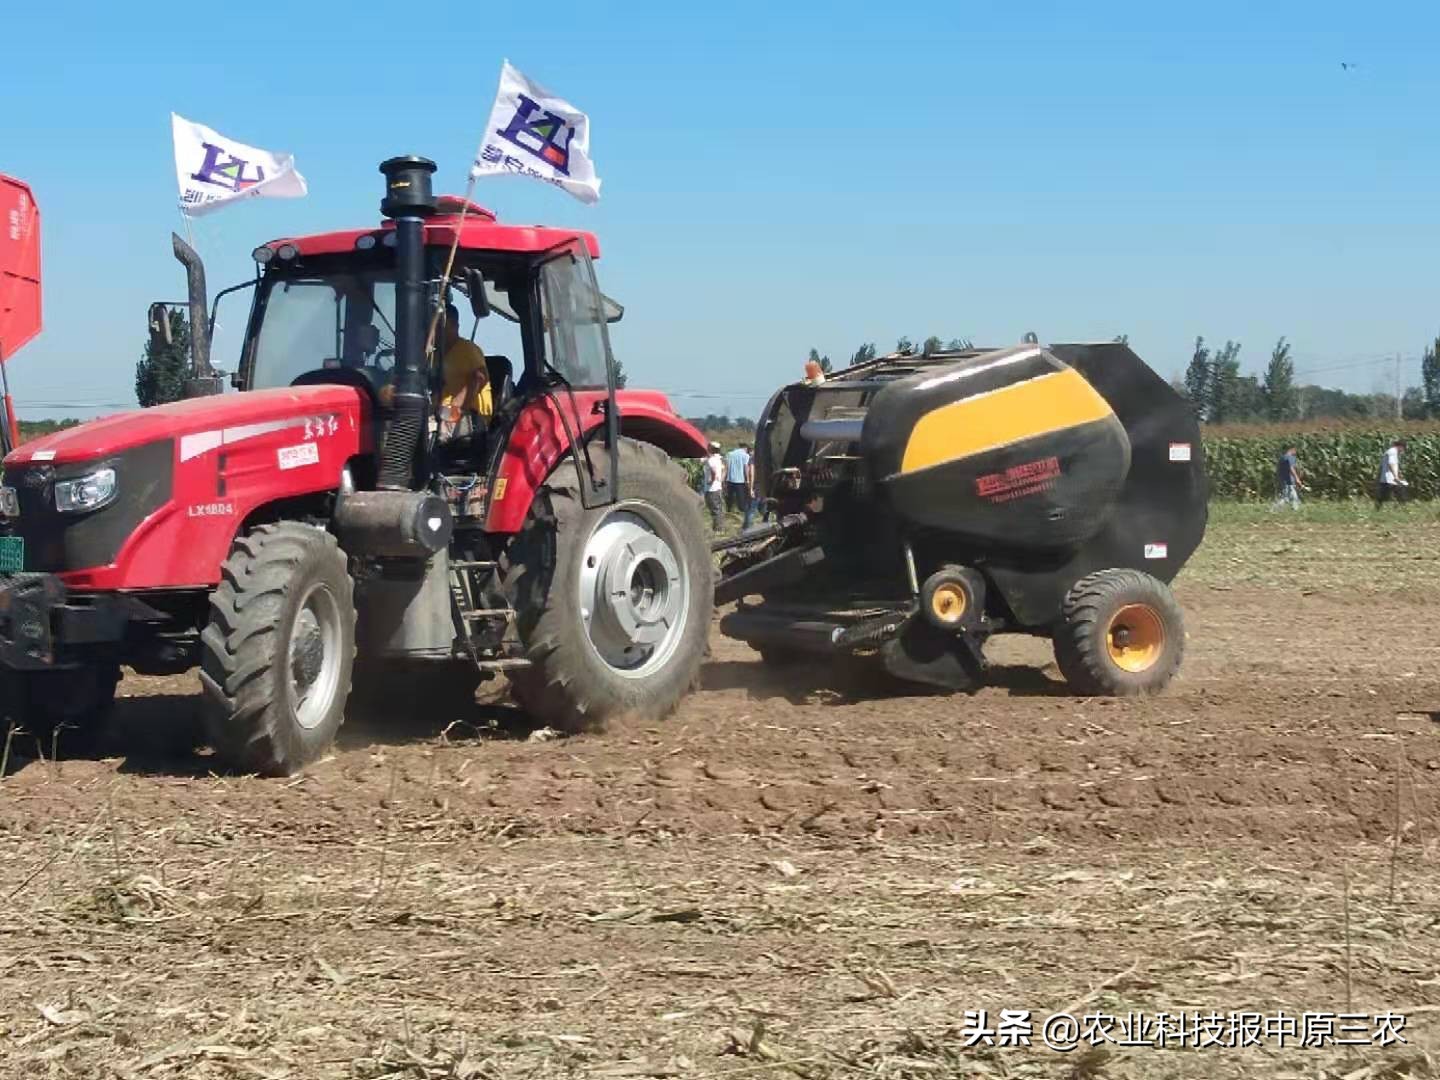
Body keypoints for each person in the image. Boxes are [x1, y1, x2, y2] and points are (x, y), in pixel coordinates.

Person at [437, 303, 491, 439]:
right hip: (439, 412)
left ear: (455, 326)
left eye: (442, 325)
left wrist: (455, 409)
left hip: (470, 417)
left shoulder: (468, 350)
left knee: (428, 430)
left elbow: (480, 377)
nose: (437, 330)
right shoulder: (432, 355)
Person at [1376, 438, 1409, 506]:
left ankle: (1378, 508)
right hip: (1390, 479)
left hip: (1386, 479)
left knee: (1382, 497)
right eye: (1403, 448)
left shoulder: (1390, 451)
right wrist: (1396, 477)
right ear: (1400, 446)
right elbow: (1391, 464)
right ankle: (1403, 507)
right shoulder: (1393, 452)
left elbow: (1382, 466)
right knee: (1401, 492)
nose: (1403, 451)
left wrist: (1399, 474)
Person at [724, 443, 751, 520]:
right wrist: (748, 479)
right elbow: (746, 468)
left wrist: (724, 479)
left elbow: (726, 467)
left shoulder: (729, 454)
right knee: (741, 498)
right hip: (740, 480)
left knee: (730, 497)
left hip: (730, 479)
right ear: (745, 448)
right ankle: (743, 511)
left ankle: (729, 510)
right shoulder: (745, 455)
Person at [703, 441, 725, 530]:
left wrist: (711, 481)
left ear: (711, 449)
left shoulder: (711, 460)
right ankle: (719, 526)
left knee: (714, 509)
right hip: (718, 487)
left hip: (712, 488)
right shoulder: (718, 459)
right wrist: (721, 480)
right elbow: (724, 469)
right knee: (718, 508)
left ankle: (718, 528)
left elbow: (713, 471)